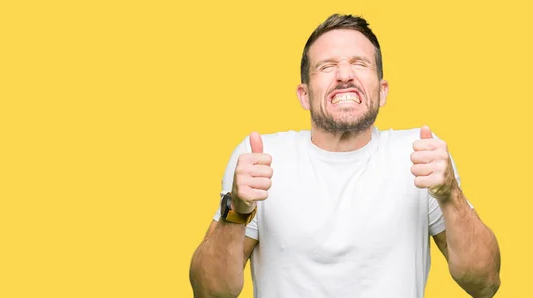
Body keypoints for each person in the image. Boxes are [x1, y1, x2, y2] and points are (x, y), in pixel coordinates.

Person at [188, 13, 501, 298]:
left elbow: (485, 283)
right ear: (304, 94)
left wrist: (450, 196)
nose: (344, 75)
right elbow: (210, 293)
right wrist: (237, 211)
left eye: (360, 63)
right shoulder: (261, 157)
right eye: (326, 66)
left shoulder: (420, 155)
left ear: (382, 90)